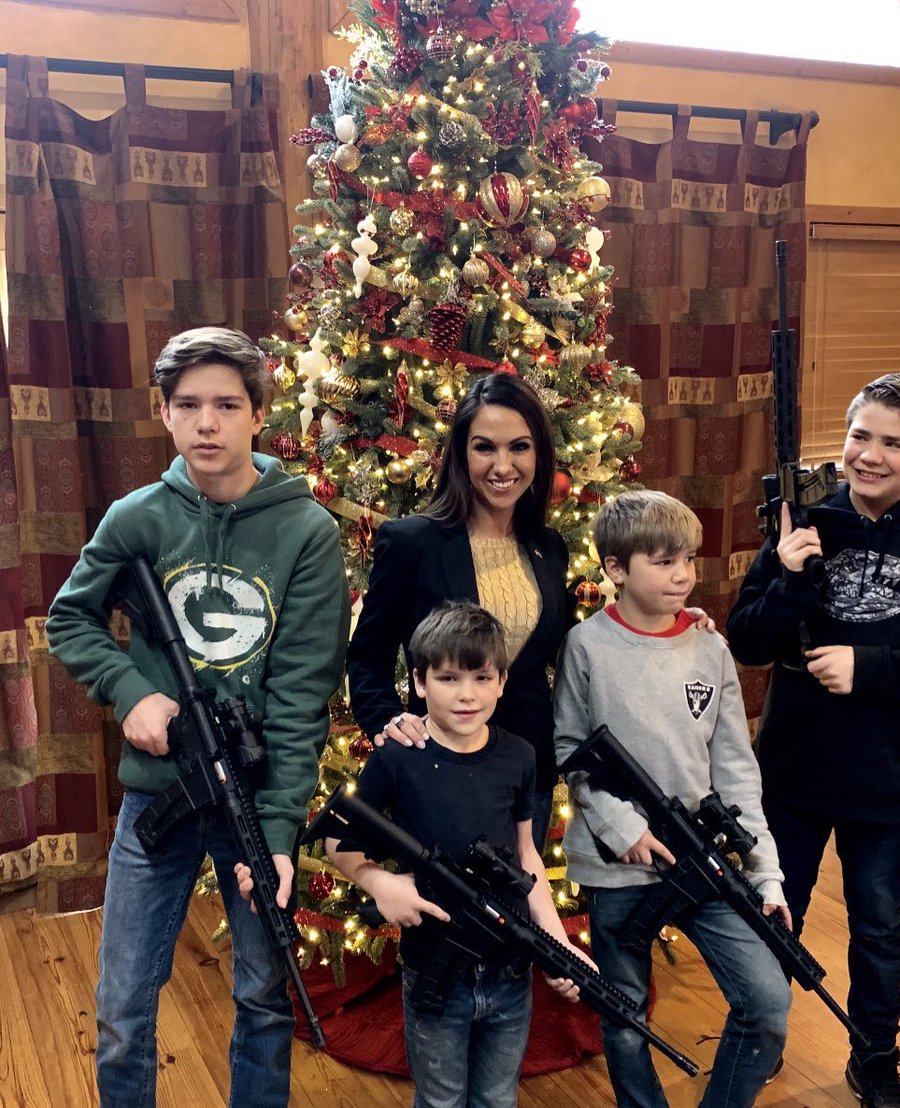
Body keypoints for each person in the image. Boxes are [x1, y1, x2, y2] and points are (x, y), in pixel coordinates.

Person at [46, 326, 351, 1108]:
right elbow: (70, 618)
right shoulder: (138, 517)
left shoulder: (307, 532)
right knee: (122, 1006)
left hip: (254, 795)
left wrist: (276, 836)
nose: (206, 423)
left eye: (227, 405)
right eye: (187, 405)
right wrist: (130, 690)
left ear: (259, 413)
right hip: (161, 791)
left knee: (262, 996)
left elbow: (300, 696)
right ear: (164, 412)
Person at [726, 372, 900, 1108]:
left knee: (878, 925)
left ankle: (875, 1058)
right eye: (860, 436)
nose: (870, 455)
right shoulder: (802, 519)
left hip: (885, 780)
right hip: (791, 771)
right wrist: (788, 577)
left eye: (895, 443)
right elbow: (747, 639)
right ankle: (759, 1036)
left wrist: (872, 668)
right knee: (775, 911)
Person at [554, 490, 794, 1108]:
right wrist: (623, 829)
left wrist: (766, 874)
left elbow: (736, 768)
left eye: (687, 559)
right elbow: (571, 751)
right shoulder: (587, 646)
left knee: (768, 1001)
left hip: (703, 860)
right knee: (626, 1016)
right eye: (663, 562)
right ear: (615, 568)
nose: (683, 574)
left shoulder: (710, 647)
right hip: (618, 869)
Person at [321, 601, 595, 1108]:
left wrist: (557, 943)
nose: (467, 694)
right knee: (440, 1101)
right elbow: (338, 841)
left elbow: (526, 856)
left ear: (502, 682)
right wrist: (380, 883)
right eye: (448, 678)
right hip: (434, 972)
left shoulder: (519, 756)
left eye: (481, 677)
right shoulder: (398, 757)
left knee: (497, 1098)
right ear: (419, 682)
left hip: (510, 973)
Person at [347, 373, 567, 850]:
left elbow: (564, 651)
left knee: (523, 894)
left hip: (527, 776)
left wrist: (666, 623)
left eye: (520, 447)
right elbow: (367, 657)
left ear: (539, 455)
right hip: (438, 770)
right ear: (462, 455)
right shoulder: (412, 542)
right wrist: (387, 721)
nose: (503, 465)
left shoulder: (549, 547)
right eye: (485, 447)